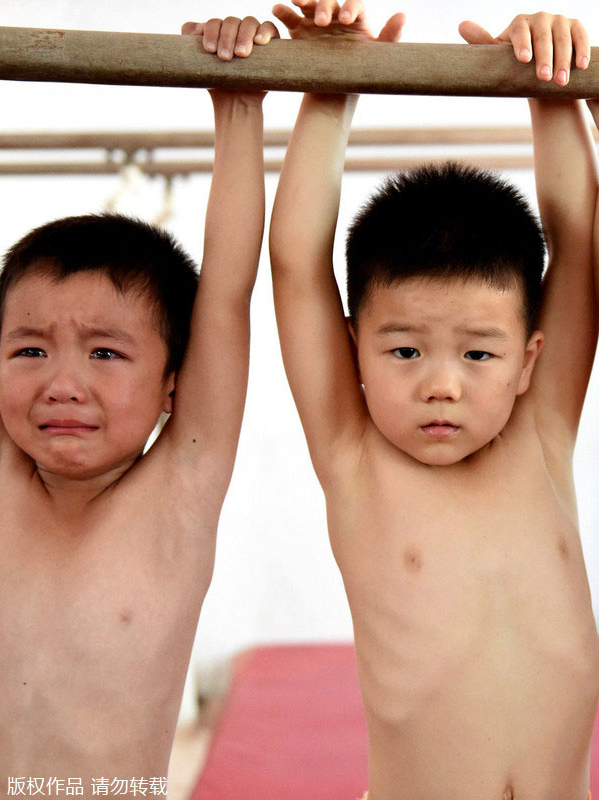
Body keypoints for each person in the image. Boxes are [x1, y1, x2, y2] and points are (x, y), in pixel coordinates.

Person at [0, 1, 278, 795]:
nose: (63, 384)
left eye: (104, 353)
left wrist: (239, 107)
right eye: (29, 350)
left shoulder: (180, 493)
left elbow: (227, 293)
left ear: (173, 383)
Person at [269, 1, 599, 797]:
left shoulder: (541, 432)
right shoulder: (354, 459)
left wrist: (554, 88)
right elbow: (296, 267)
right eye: (404, 350)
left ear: (527, 361)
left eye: (477, 354)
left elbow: (578, 246)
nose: (440, 384)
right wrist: (327, 89)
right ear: (353, 347)